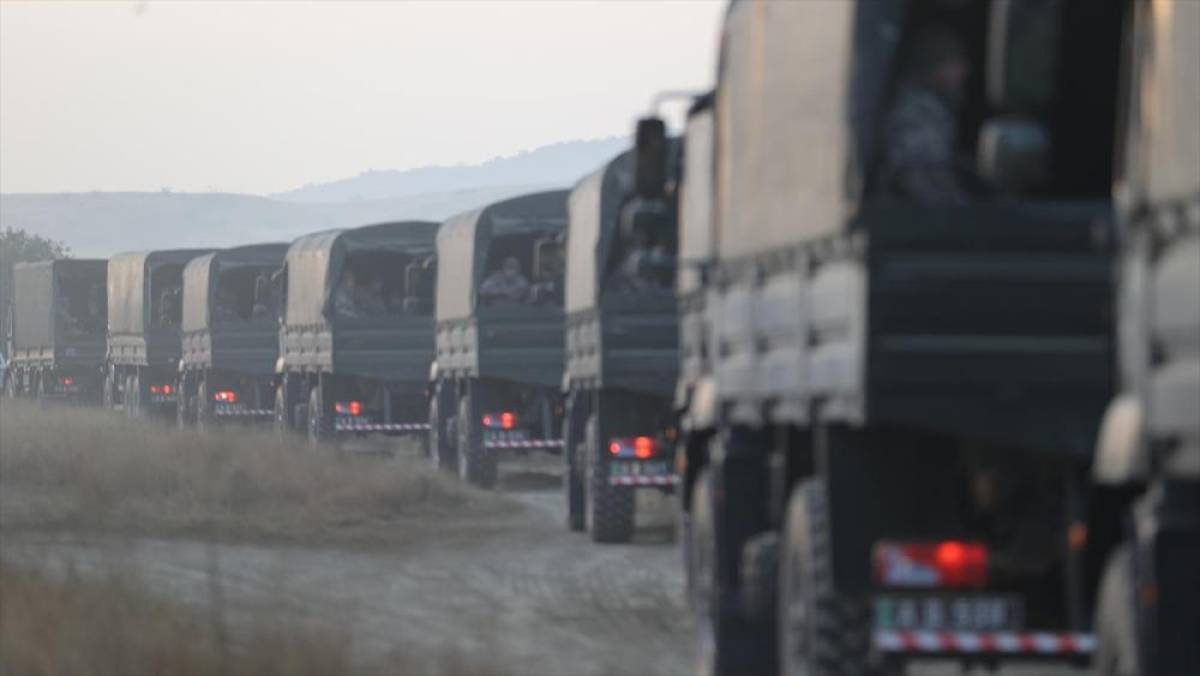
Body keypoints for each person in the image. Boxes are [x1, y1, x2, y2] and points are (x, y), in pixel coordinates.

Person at [882, 27, 972, 206]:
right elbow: (920, 178)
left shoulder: (931, 108)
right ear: (933, 68)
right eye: (952, 63)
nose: (963, 71)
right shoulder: (915, 113)